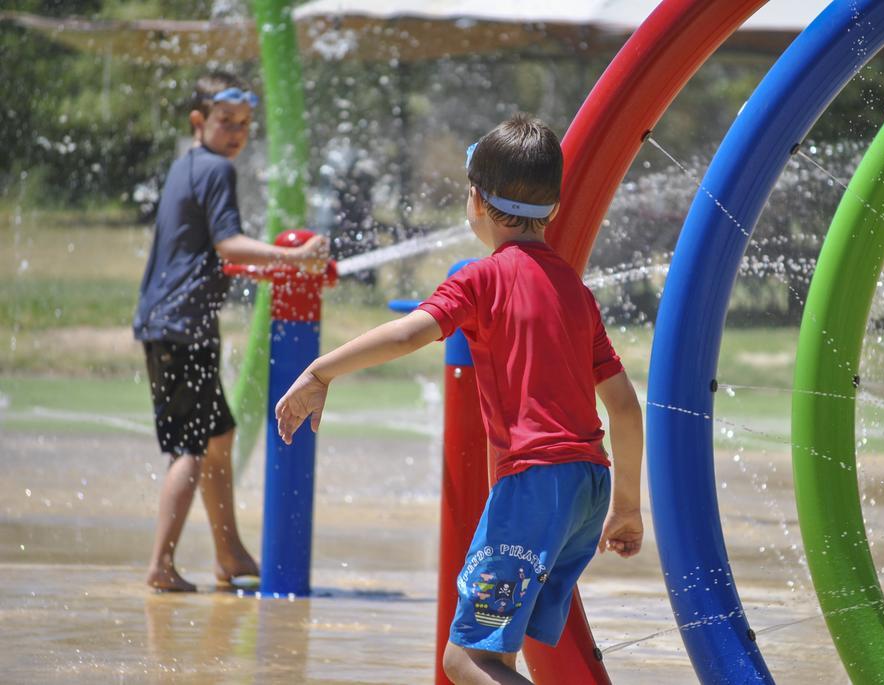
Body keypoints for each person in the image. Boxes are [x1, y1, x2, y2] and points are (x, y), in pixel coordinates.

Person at [275, 114, 644, 683]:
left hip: (533, 487)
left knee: (464, 659)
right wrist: (624, 508)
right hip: (587, 491)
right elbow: (623, 406)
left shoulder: (480, 278)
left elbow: (407, 333)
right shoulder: (575, 289)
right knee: (499, 656)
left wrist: (321, 372)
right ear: (554, 207)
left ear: (475, 199)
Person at [133, 71, 327, 592]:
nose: (237, 132)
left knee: (219, 436)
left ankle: (228, 554)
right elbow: (229, 245)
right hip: (182, 327)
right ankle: (161, 565)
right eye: (226, 122)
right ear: (199, 122)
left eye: (244, 124)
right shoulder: (216, 170)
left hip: (172, 324)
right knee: (191, 448)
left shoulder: (186, 165)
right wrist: (293, 256)